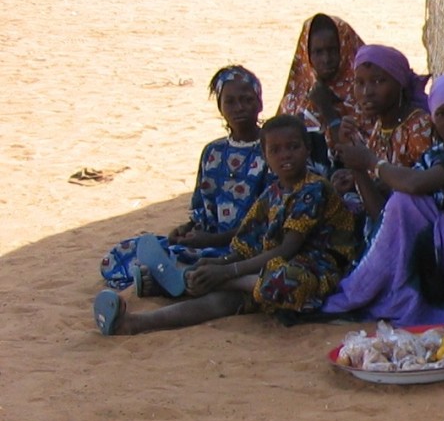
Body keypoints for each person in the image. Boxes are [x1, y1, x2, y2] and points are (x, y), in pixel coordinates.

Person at [94, 115, 358, 336]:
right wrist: (216, 267)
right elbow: (244, 245)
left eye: (293, 147)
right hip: (260, 274)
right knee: (221, 301)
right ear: (265, 156)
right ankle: (135, 323)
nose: (285, 155)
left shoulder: (314, 188)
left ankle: (179, 280)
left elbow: (288, 249)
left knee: (285, 281)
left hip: (316, 271)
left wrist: (227, 273)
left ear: (307, 150)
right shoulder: (272, 194)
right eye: (275, 150)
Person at [321, 72, 444, 325]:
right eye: (442, 113)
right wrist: (358, 168)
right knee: (401, 204)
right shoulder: (435, 155)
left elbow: (415, 184)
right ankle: (362, 294)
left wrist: (372, 162)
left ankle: (361, 295)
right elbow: (384, 217)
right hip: (443, 251)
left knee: (407, 201)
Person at [100, 65, 269, 295]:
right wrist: (185, 230)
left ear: (259, 103)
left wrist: (211, 239)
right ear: (220, 106)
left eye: (246, 100)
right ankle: (166, 278)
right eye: (230, 101)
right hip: (206, 240)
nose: (239, 107)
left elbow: (267, 220)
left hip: (245, 246)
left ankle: (165, 281)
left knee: (203, 263)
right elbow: (201, 207)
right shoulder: (212, 152)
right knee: (124, 252)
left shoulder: (271, 150)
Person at [327, 44, 434, 226]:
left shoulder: (418, 127)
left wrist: (360, 167)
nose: (367, 92)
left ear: (399, 83)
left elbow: (415, 193)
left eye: (378, 81)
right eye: (359, 83)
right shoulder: (380, 126)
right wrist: (353, 170)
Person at [279, 13, 370, 168]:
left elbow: (368, 153)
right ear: (306, 54)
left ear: (345, 48)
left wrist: (327, 109)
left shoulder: (364, 95)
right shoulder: (295, 100)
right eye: (318, 52)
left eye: (333, 50)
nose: (326, 59)